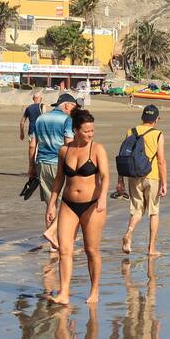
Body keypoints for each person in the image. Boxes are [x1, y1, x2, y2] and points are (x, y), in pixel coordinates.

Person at [45, 108, 109, 305]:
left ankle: (94, 289)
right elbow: (58, 179)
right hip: (68, 204)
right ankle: (64, 292)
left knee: (91, 250)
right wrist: (52, 203)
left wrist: (103, 197)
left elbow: (105, 176)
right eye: (86, 131)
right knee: (65, 250)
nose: (90, 134)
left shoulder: (97, 149)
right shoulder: (64, 150)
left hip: (93, 205)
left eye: (92, 131)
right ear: (75, 130)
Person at [115, 104, 167, 257]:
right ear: (156, 119)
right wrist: (164, 183)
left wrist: (120, 180)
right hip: (153, 176)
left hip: (133, 175)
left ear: (142, 117)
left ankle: (129, 233)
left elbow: (123, 157)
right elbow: (161, 161)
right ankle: (151, 249)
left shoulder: (131, 131)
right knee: (153, 212)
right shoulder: (158, 134)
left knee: (137, 210)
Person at [32, 93, 78, 246]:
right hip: (59, 164)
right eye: (74, 108)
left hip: (41, 163)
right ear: (66, 105)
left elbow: (33, 144)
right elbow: (69, 144)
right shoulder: (67, 120)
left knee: (50, 204)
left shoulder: (40, 118)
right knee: (68, 202)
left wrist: (31, 166)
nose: (75, 112)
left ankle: (53, 244)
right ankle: (55, 235)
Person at [20, 91, 45, 178]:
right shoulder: (42, 106)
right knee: (41, 151)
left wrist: (21, 133)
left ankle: (31, 170)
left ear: (33, 99)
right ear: (41, 99)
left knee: (32, 150)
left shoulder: (28, 108)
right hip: (41, 131)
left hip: (32, 130)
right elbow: (45, 118)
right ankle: (39, 171)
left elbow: (22, 122)